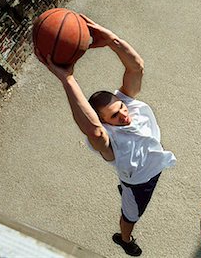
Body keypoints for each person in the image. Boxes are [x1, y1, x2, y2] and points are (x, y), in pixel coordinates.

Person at [35, 14, 176, 256]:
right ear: (104, 122)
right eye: (114, 116)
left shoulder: (127, 104)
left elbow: (136, 66)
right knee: (131, 216)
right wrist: (67, 79)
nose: (123, 114)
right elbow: (94, 131)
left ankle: (124, 206)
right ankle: (124, 238)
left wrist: (111, 39)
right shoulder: (110, 143)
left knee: (130, 85)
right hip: (139, 184)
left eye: (121, 108)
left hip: (155, 165)